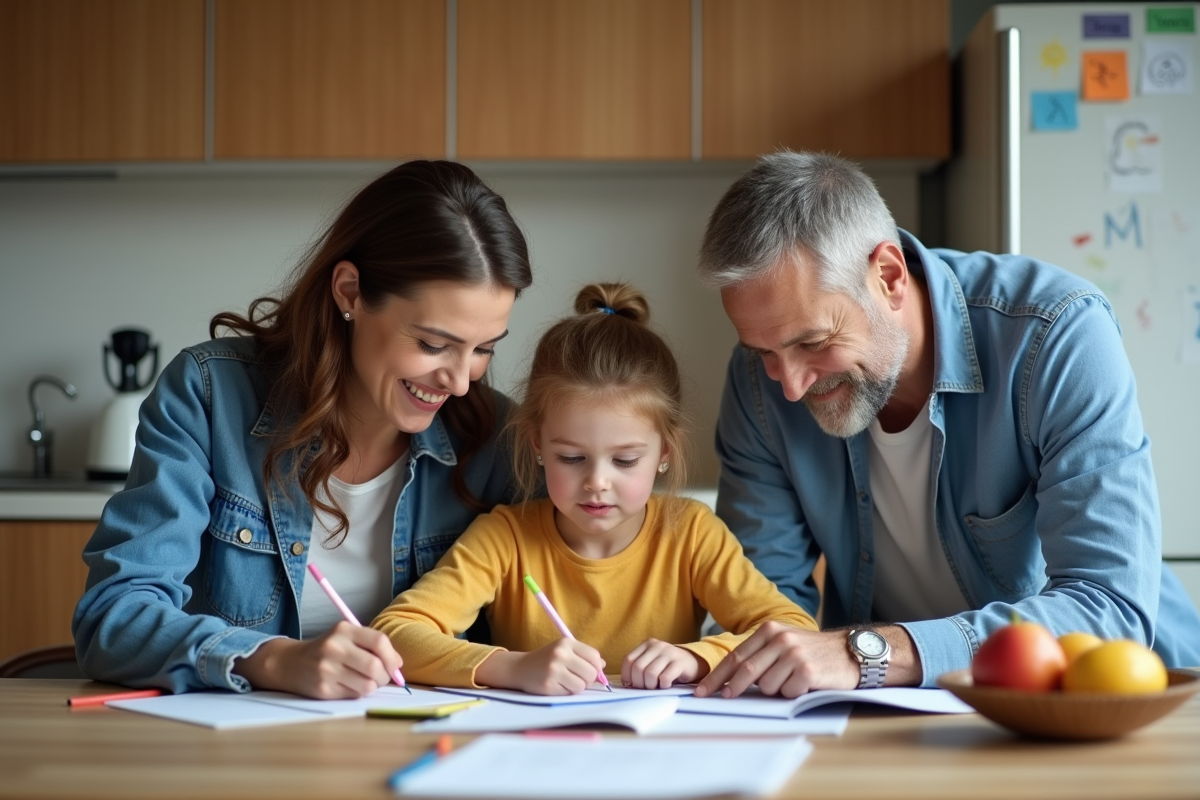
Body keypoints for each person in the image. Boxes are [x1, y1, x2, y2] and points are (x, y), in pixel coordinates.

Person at [691, 151, 1200, 700]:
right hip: (899, 712)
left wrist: (867, 653)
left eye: (813, 343)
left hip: (1109, 710)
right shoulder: (757, 383)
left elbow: (1109, 609)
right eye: (764, 350)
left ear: (888, 277)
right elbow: (759, 605)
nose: (788, 385)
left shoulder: (1056, 336)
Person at [72, 160, 533, 698]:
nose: (458, 383)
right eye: (433, 344)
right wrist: (270, 660)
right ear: (350, 292)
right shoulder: (210, 396)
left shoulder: (498, 438)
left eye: (483, 350)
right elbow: (112, 617)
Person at [370, 283, 817, 694]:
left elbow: (795, 630)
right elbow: (396, 632)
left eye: (625, 460)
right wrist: (511, 667)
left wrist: (697, 658)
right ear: (537, 445)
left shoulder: (691, 533)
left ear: (664, 451)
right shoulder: (505, 537)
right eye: (571, 458)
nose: (597, 483)